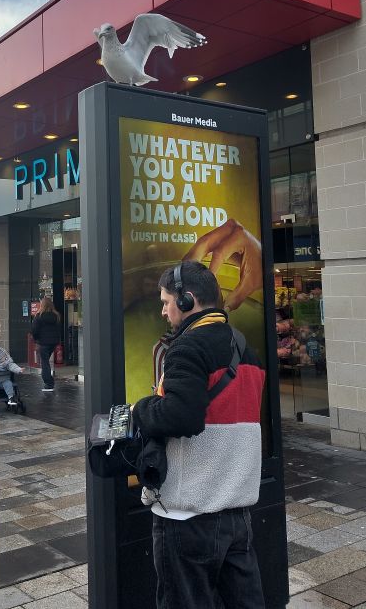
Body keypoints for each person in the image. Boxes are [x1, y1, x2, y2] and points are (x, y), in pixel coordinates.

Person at [131, 261, 266, 609]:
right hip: (237, 515)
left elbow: (180, 416)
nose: (163, 311)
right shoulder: (244, 347)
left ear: (187, 300)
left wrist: (139, 409)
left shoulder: (187, 348)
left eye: (166, 302)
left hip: (187, 518)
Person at [31, 296, 62, 392]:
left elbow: (34, 330)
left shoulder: (39, 316)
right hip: (53, 343)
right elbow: (58, 330)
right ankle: (49, 381)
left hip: (43, 342)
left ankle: (48, 383)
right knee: (46, 362)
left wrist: (36, 340)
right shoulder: (56, 315)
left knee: (44, 363)